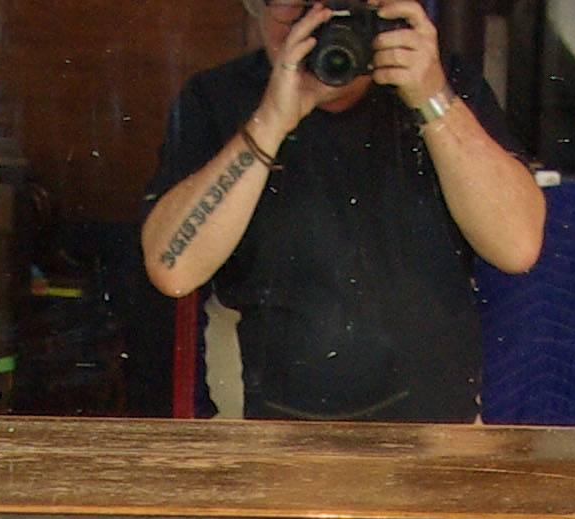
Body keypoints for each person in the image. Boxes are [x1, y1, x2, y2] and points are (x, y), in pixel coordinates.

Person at [140, 0, 546, 422]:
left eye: (338, 9)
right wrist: (271, 122)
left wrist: (433, 100)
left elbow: (517, 247)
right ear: (255, 9)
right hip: (271, 438)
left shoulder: (440, 83)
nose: (315, 28)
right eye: (293, 7)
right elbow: (173, 269)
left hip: (436, 435)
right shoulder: (219, 98)